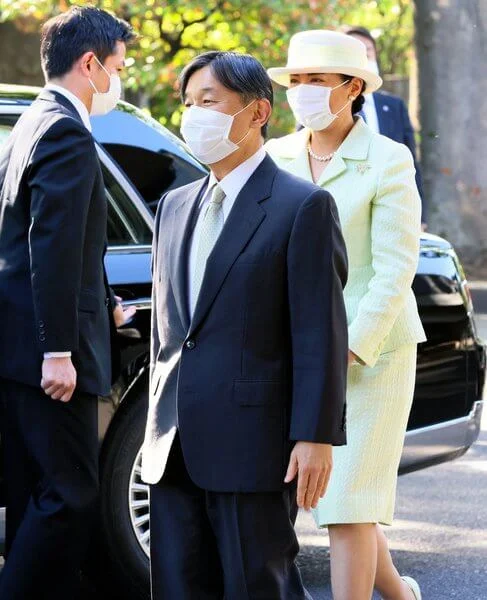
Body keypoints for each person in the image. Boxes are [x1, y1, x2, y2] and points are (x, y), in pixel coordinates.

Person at [142, 50, 349, 599]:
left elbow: (319, 333)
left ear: (258, 113)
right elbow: (173, 332)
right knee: (179, 587)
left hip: (254, 445)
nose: (194, 115)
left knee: (257, 584)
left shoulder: (301, 206)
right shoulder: (173, 206)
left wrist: (315, 434)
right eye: (188, 103)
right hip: (172, 441)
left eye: (208, 102)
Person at [266, 30, 426, 600]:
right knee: (335, 500)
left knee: (350, 500)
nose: (303, 92)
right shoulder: (275, 155)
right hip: (300, 350)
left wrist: (350, 347)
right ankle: (402, 596)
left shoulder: (388, 159)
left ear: (353, 88)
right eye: (297, 81)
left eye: (318, 81)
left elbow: (394, 268)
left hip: (371, 353)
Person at [0, 7, 135, 599]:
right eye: (118, 65)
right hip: (50, 354)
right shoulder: (66, 131)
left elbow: (57, 239)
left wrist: (101, 300)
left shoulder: (32, 121)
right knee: (70, 494)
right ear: (90, 64)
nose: (120, 76)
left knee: (37, 489)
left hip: (19, 344)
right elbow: (48, 245)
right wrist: (59, 349)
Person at [343, 25, 427, 228]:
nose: (363, 57)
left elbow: (411, 163)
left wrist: (420, 216)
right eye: (355, 50)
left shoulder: (395, 106)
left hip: (390, 205)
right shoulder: (321, 108)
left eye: (367, 51)